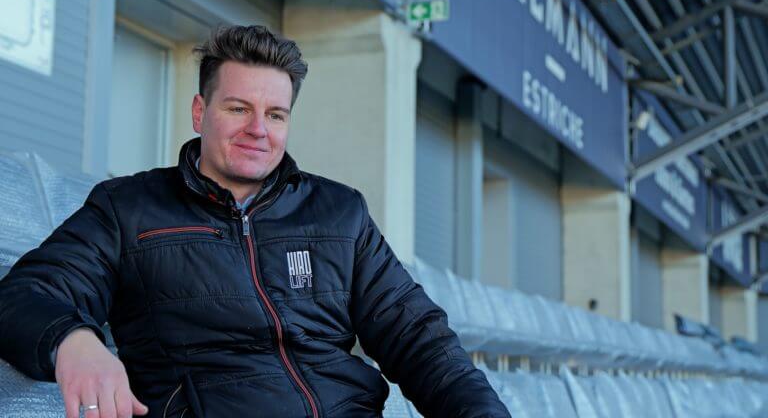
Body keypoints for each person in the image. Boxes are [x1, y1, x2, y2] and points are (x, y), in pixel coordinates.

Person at [0, 25, 510, 418]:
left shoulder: (340, 213)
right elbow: (23, 294)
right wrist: (73, 341)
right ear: (200, 111)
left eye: (275, 114)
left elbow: (418, 336)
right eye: (238, 108)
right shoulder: (129, 209)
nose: (258, 130)